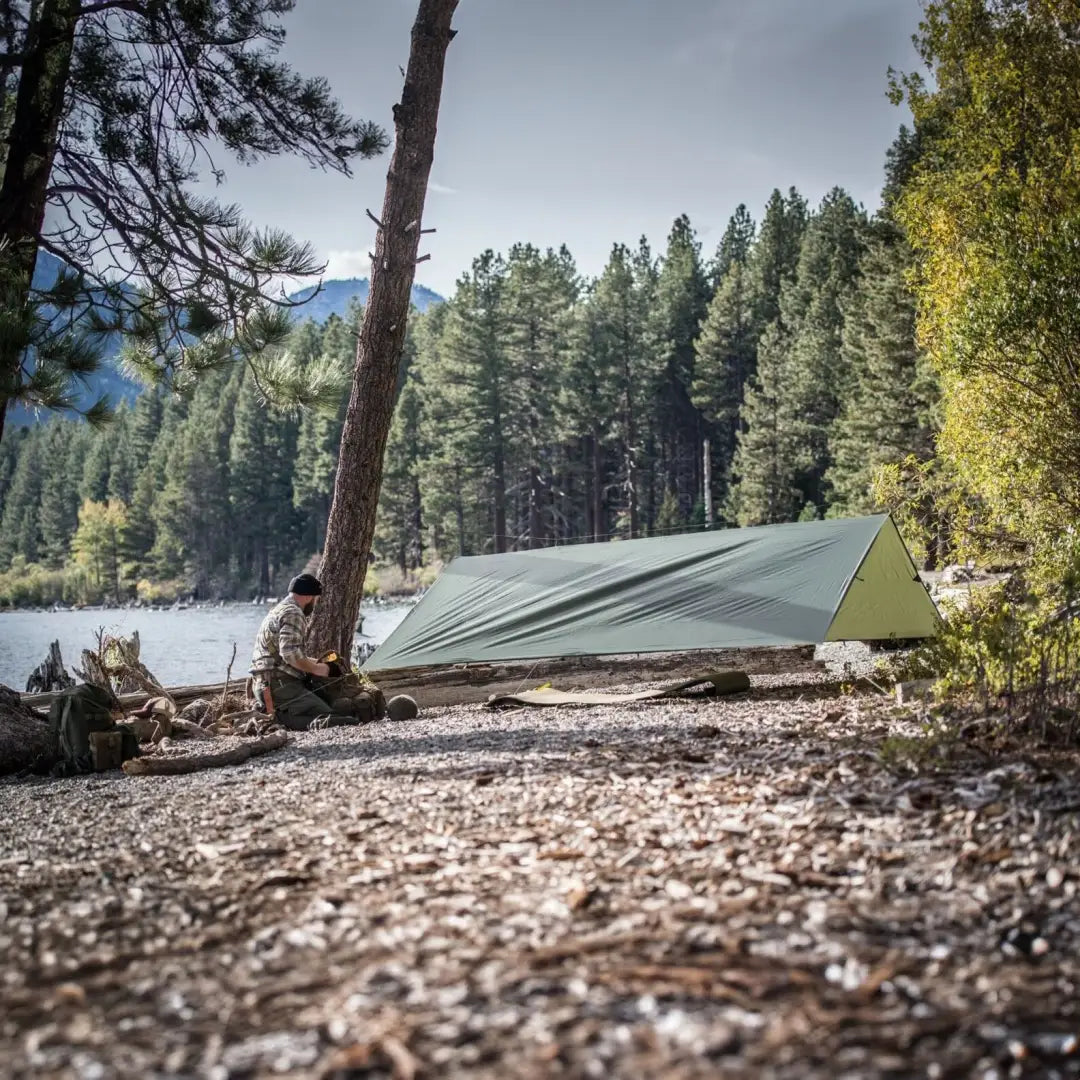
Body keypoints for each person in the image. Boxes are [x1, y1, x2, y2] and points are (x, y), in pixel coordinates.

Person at [249, 573, 358, 731]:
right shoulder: (294, 613)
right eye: (316, 598)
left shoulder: (276, 610)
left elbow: (285, 656)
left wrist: (320, 662)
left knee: (326, 709)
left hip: (263, 685)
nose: (315, 603)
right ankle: (278, 719)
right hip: (279, 687)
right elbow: (290, 655)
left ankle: (274, 713)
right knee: (333, 718)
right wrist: (322, 669)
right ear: (309, 597)